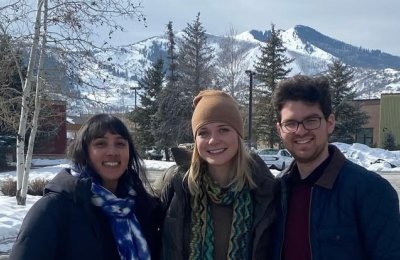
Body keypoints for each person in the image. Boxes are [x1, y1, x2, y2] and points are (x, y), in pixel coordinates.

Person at [271, 75, 400, 260]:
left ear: (329, 123)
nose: (300, 131)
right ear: (279, 130)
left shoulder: (371, 191)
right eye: (290, 123)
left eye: (311, 120)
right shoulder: (276, 192)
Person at [10, 114, 162, 260]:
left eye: (120, 143)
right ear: (84, 152)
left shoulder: (142, 207)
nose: (112, 152)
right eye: (100, 144)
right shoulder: (54, 209)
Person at [160, 90, 277, 260]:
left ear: (238, 135)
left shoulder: (265, 189)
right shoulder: (177, 184)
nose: (213, 140)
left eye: (223, 130)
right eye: (203, 133)